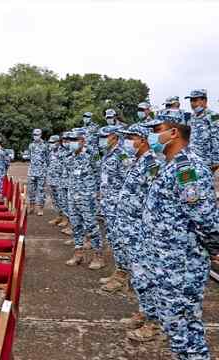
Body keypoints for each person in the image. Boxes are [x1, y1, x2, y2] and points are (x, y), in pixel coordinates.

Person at [142, 109, 219, 359]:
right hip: (168, 262)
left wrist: (215, 249)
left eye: (156, 131)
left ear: (173, 132)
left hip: (182, 265)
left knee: (185, 330)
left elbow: (206, 218)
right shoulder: (171, 166)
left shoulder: (188, 169)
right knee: (176, 327)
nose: (152, 136)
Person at [111, 124, 163, 342]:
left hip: (143, 230)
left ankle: (154, 323)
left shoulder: (151, 164)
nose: (126, 142)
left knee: (147, 276)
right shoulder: (138, 161)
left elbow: (156, 199)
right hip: (132, 229)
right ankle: (144, 312)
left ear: (142, 140)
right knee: (139, 276)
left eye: (130, 137)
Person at [64, 129, 105, 269]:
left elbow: (99, 172)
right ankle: (78, 254)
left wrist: (98, 191)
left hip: (87, 197)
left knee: (91, 226)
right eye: (71, 140)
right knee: (76, 226)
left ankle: (98, 256)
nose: (72, 143)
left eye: (75, 140)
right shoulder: (68, 157)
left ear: (83, 140)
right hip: (72, 196)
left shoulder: (92, 154)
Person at [97, 125, 127, 292]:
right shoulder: (108, 154)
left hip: (118, 205)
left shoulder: (122, 155)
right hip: (108, 203)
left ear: (115, 137)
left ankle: (122, 276)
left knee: (119, 240)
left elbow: (126, 181)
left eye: (105, 136)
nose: (102, 140)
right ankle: (118, 272)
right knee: (113, 239)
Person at [186, 89, 219, 171]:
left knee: (205, 182)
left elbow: (216, 138)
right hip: (192, 159)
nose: (192, 103)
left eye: (195, 100)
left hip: (206, 161)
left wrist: (216, 160)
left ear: (204, 100)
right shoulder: (192, 117)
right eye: (191, 100)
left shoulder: (213, 116)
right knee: (190, 182)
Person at [27, 128, 48, 216]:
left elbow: (48, 159)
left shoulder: (45, 146)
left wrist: (45, 170)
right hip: (32, 171)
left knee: (41, 190)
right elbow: (30, 157)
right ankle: (32, 207)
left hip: (41, 172)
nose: (36, 136)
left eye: (38, 134)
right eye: (35, 135)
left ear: (41, 135)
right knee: (31, 190)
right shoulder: (31, 145)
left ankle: (40, 208)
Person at [46, 135, 66, 226]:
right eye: (50, 143)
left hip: (60, 180)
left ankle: (66, 219)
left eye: (53, 142)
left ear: (58, 142)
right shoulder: (50, 153)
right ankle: (58, 217)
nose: (51, 144)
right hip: (51, 180)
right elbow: (48, 164)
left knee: (62, 200)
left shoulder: (63, 152)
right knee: (55, 200)